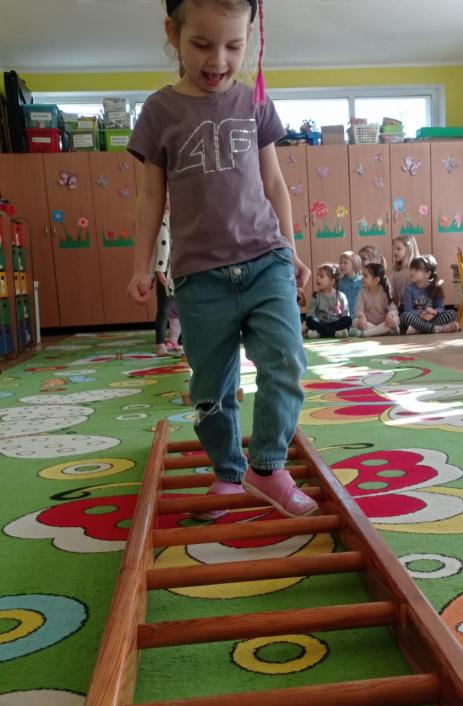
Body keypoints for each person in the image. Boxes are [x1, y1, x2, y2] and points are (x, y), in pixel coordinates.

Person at [126, 0, 318, 519]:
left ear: (250, 37)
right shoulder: (159, 111)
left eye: (234, 46)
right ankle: (228, 473)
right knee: (212, 386)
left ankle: (267, 468)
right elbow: (150, 196)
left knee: (285, 361)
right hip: (199, 277)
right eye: (202, 45)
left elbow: (274, 182)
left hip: (266, 260)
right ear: (173, 34)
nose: (218, 61)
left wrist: (292, 249)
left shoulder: (254, 100)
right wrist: (142, 264)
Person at [400, 255, 460, 335]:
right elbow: (408, 309)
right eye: (411, 269)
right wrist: (421, 315)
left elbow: (441, 308)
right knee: (404, 316)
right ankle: (437, 329)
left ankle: (419, 330)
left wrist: (434, 312)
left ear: (427, 274)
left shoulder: (435, 287)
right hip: (417, 319)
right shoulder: (409, 289)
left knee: (451, 313)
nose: (412, 272)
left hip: (432, 318)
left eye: (416, 270)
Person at [153, 206, 183, 355]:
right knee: (165, 308)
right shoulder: (163, 222)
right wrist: (159, 271)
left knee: (177, 308)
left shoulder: (178, 220)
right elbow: (163, 249)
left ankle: (175, 340)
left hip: (177, 268)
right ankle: (160, 344)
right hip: (167, 270)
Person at [350, 262, 399, 337]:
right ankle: (383, 331)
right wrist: (361, 316)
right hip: (369, 323)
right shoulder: (362, 293)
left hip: (384, 322)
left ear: (376, 280)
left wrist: (390, 314)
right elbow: (358, 309)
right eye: (362, 275)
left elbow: (393, 309)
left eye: (365, 276)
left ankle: (366, 333)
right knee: (355, 322)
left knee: (396, 319)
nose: (362, 278)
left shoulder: (384, 292)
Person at [304, 263, 351, 338]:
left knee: (348, 319)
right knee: (310, 320)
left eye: (321, 276)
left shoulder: (340, 295)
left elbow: (345, 314)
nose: (317, 278)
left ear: (332, 281)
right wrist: (313, 320)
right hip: (320, 323)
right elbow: (310, 314)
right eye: (317, 275)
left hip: (335, 323)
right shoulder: (315, 296)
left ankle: (321, 333)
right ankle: (335, 333)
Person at [390, 234, 419, 309]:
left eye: (398, 249)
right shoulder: (395, 271)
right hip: (403, 307)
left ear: (409, 249)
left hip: (418, 306)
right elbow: (393, 294)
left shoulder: (417, 270)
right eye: (394, 249)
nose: (395, 252)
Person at [338, 250, 363, 315]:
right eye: (340, 263)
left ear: (354, 264)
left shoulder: (362, 281)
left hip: (360, 315)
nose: (342, 265)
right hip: (345, 315)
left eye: (345, 263)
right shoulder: (339, 282)